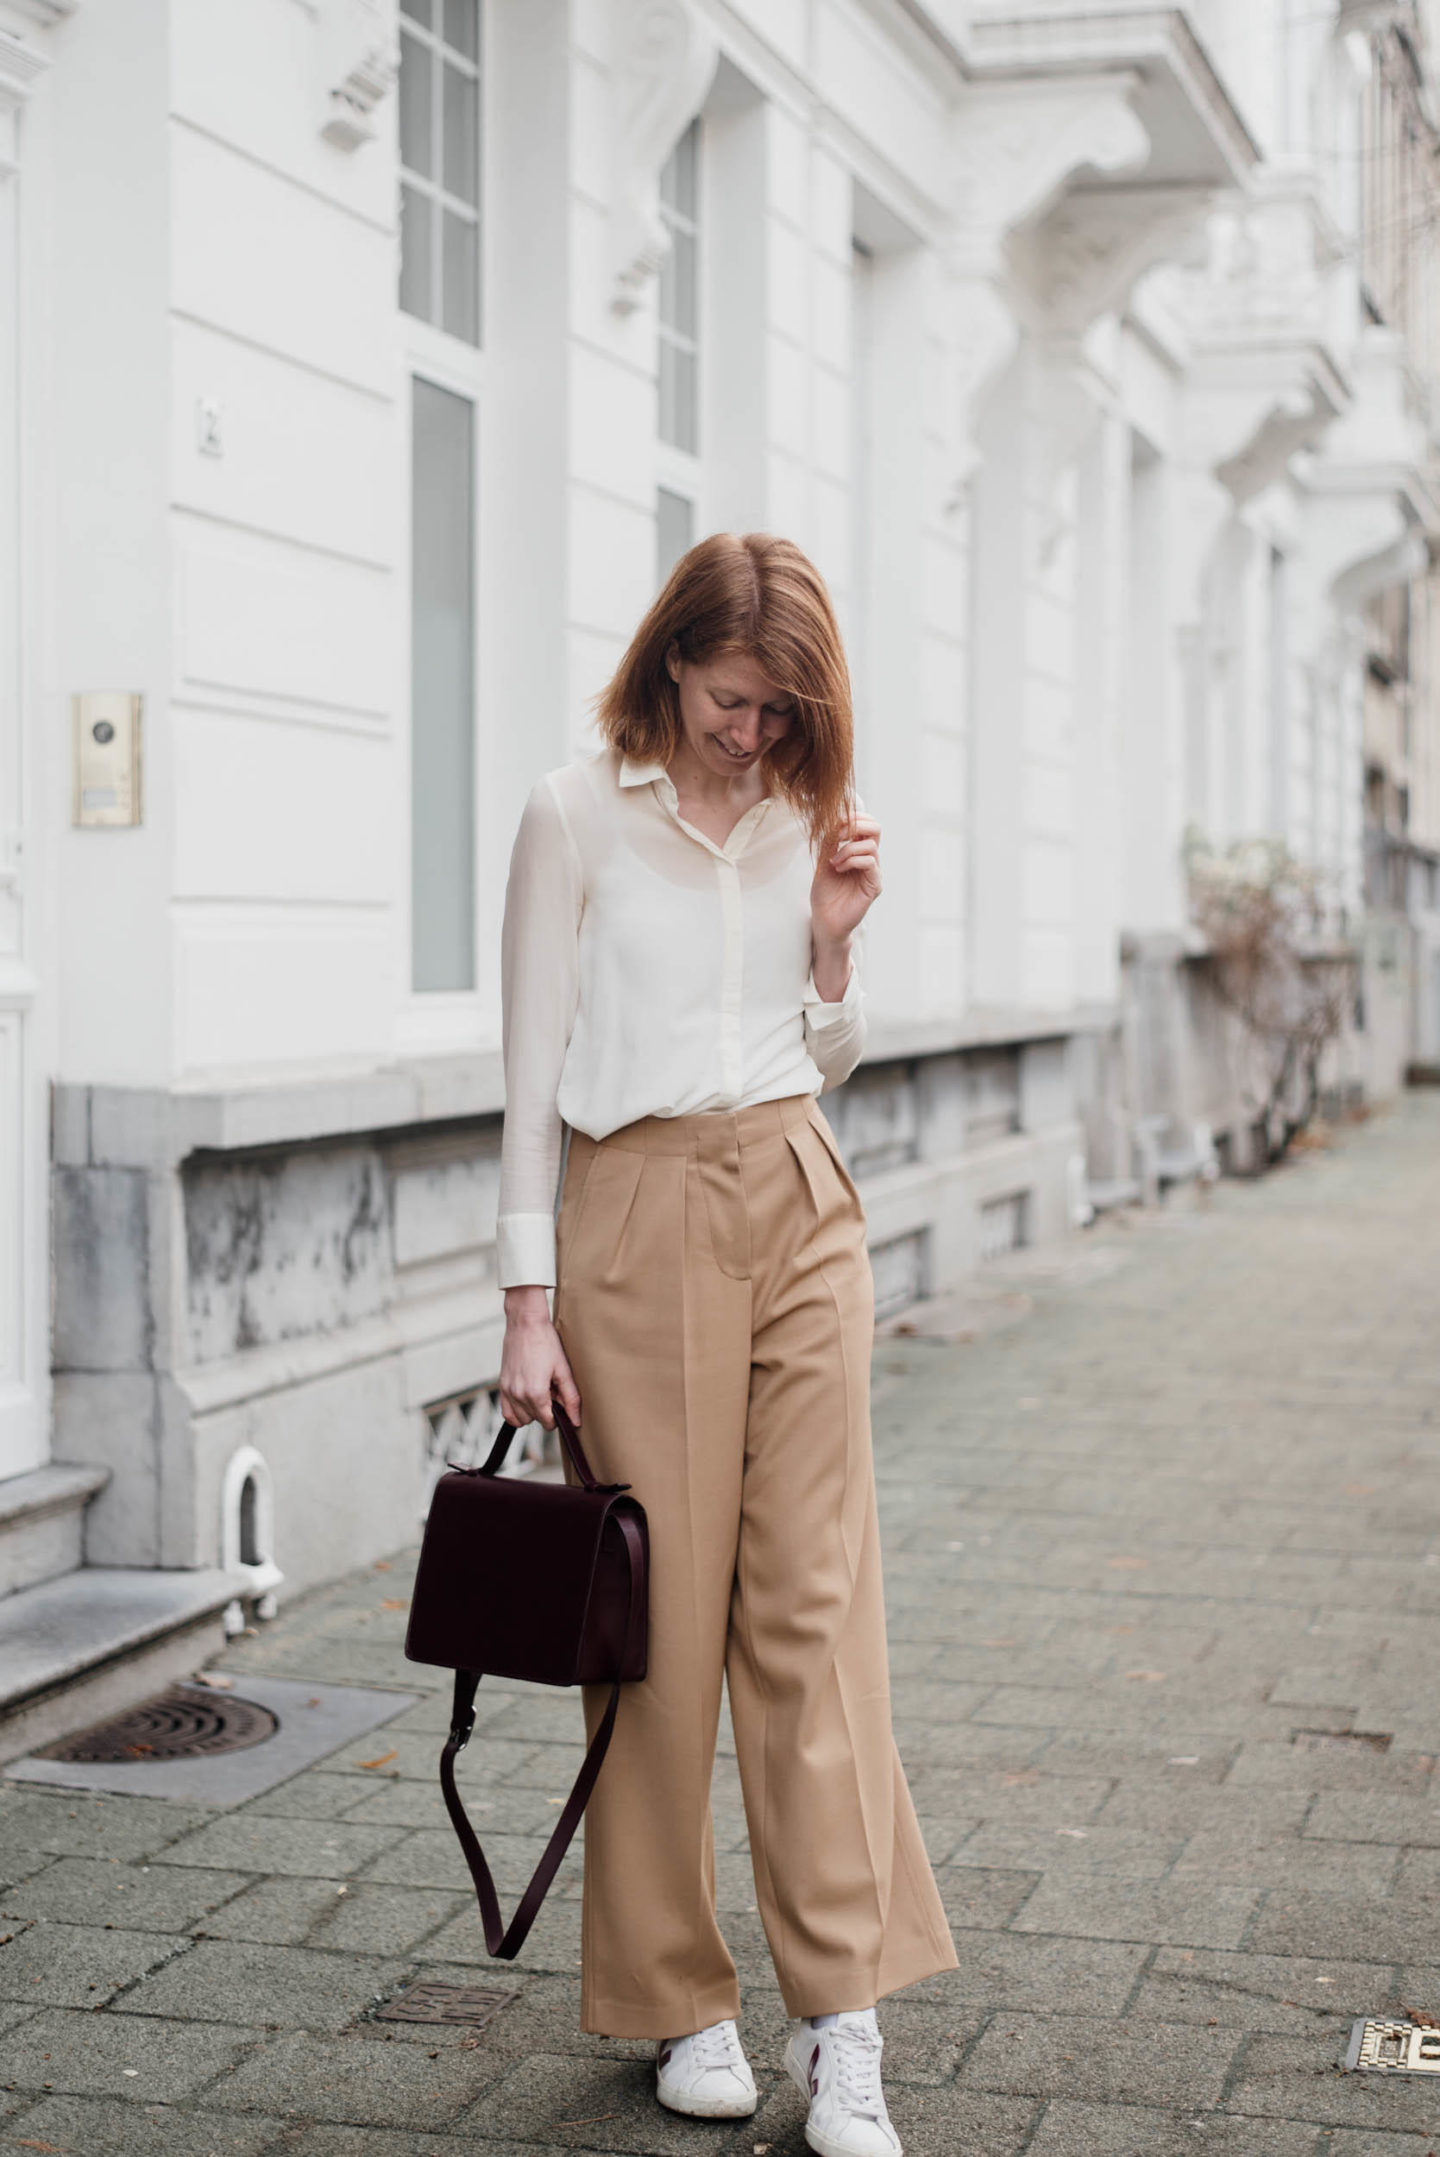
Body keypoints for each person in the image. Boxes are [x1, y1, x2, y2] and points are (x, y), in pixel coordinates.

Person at [496, 532, 957, 2157]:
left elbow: (824, 1049)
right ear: (669, 659)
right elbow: (529, 1064)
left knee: (813, 1610)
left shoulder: (802, 816)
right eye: (728, 696)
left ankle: (846, 2013)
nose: (748, 732)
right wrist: (524, 1298)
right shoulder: (572, 814)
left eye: (777, 709)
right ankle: (680, 1993)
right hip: (628, 1219)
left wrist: (836, 936)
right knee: (657, 1619)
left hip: (797, 1195)